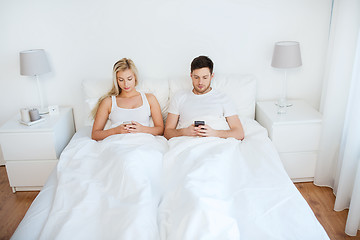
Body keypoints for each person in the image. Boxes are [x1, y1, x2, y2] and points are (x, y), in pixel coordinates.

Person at [164, 55, 244, 140]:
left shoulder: (223, 98)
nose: (200, 82)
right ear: (191, 76)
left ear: (211, 76)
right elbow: (167, 133)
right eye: (196, 77)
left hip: (217, 142)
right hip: (188, 143)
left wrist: (215, 133)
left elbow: (239, 133)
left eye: (205, 77)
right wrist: (184, 132)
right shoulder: (179, 97)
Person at [91, 58, 164, 141]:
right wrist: (115, 130)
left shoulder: (150, 99)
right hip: (117, 143)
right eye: (121, 80)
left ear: (135, 77)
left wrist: (142, 129)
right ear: (116, 81)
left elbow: (160, 129)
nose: (126, 84)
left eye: (129, 79)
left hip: (143, 143)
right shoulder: (108, 102)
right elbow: (95, 134)